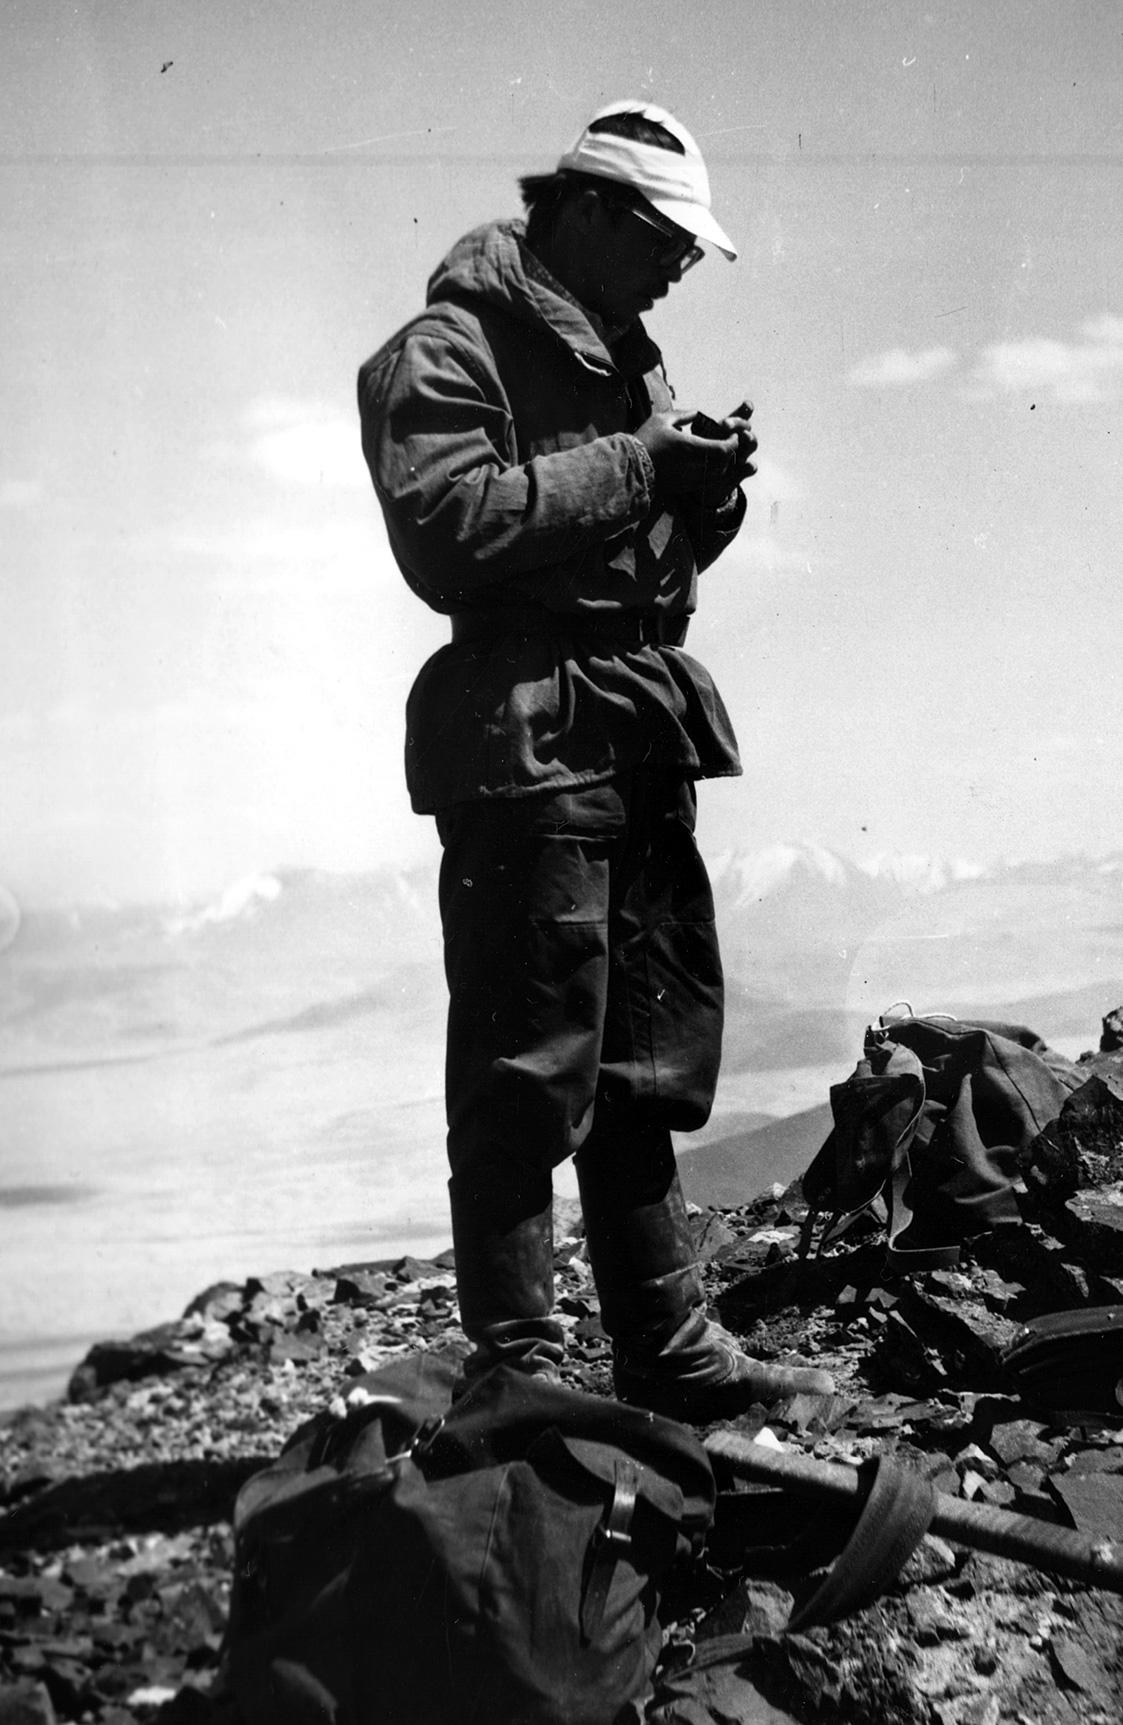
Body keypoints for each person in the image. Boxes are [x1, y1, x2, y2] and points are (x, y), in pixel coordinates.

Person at [357, 99, 833, 1421]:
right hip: (523, 732)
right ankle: (518, 1381)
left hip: (632, 720)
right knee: (527, 1067)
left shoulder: (633, 358)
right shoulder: (446, 351)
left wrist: (703, 495)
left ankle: (669, 1355)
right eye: (671, 237)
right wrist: (639, 465)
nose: (687, 264)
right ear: (591, 214)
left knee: (640, 1057)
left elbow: (640, 565)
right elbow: (447, 531)